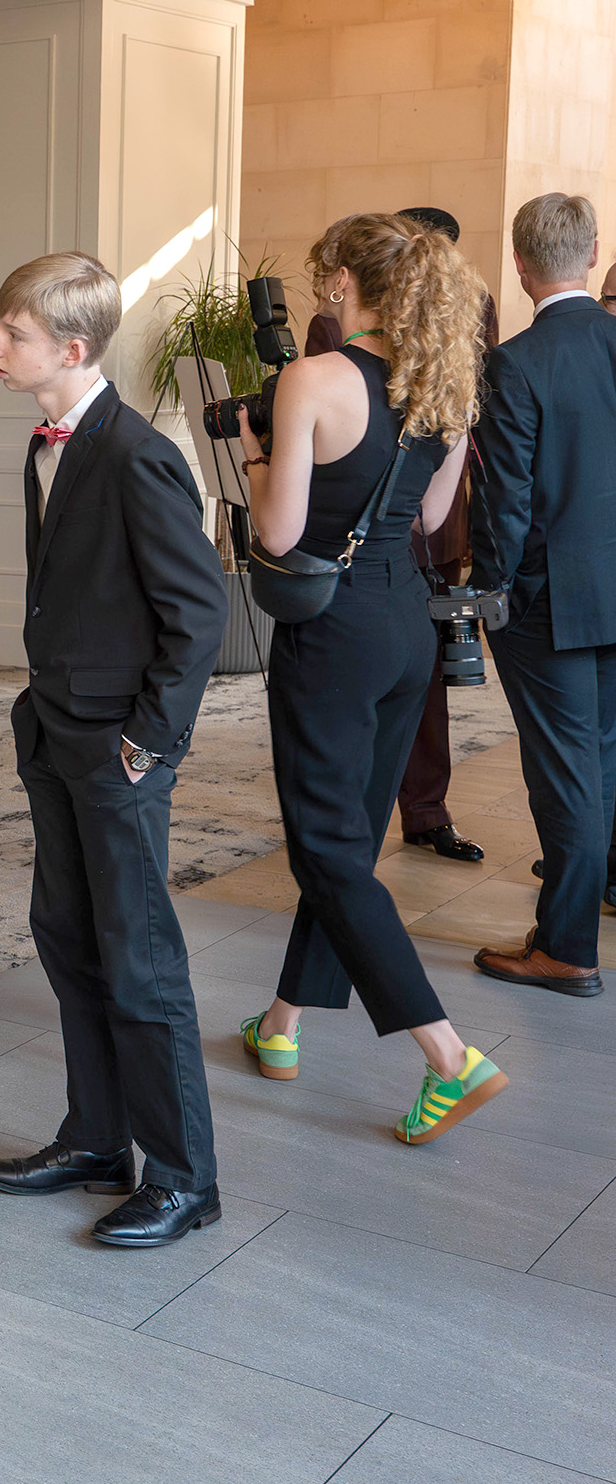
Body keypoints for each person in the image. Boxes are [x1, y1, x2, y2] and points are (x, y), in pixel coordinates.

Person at [233, 212, 513, 1140]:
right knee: (346, 837)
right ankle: (281, 1026)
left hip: (335, 630)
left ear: (343, 282)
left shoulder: (312, 378)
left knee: (324, 847)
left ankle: (448, 1056)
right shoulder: (441, 383)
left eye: (326, 278)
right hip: (407, 626)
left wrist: (251, 450)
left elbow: (277, 533)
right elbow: (434, 518)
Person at [0, 252, 228, 1248]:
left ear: (70, 349)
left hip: (116, 748)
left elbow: (199, 611)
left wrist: (147, 744)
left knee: (141, 964)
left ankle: (183, 1177)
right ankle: (95, 1136)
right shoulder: (45, 445)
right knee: (68, 940)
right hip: (54, 730)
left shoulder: (134, 453)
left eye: (13, 333)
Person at [305, 207, 495, 864]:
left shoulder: (463, 320)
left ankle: (422, 812)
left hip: (386, 559)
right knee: (339, 835)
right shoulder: (338, 336)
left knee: (331, 849)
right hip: (376, 555)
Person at [471, 192, 616, 998]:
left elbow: (505, 503)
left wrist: (498, 593)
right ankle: (563, 927)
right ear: (592, 254)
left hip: (552, 606)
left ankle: (566, 949)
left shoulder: (515, 363)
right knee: (598, 765)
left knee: (566, 776)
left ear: (520, 264)